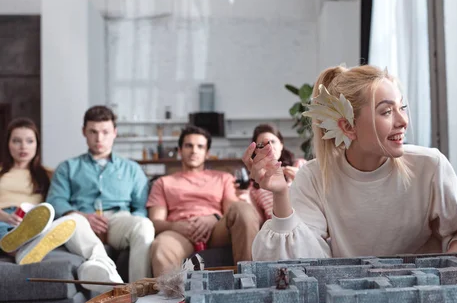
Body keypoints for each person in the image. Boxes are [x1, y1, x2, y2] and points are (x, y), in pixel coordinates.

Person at [243, 65, 457, 261]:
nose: (403, 121)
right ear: (348, 127)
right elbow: (299, 262)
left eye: (401, 107)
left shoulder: (429, 166)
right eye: (386, 111)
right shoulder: (315, 177)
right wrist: (281, 195)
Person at [0, 117, 123, 292]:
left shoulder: (49, 174)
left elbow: (58, 201)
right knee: (2, 228)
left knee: (75, 220)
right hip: (5, 218)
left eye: (29, 141)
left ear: (37, 144)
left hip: (36, 221)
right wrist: (5, 216)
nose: (23, 147)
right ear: (7, 144)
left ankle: (103, 268)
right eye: (16, 141)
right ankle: (18, 245)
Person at [46, 106, 154, 284]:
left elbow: (141, 207)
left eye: (105, 132)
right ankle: (107, 271)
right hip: (81, 222)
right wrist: (83, 217)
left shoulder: (132, 169)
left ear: (115, 133)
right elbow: (56, 201)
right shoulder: (67, 167)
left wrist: (129, 223)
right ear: (84, 132)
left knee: (144, 225)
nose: (99, 138)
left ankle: (138, 298)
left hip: (119, 220)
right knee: (73, 222)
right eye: (93, 132)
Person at [147, 126, 261, 276]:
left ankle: (249, 280)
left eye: (200, 146)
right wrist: (175, 226)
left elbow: (232, 211)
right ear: (180, 151)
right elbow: (155, 222)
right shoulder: (163, 182)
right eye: (189, 146)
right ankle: (171, 298)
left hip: (215, 230)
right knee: (161, 246)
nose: (194, 151)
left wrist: (214, 219)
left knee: (243, 209)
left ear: (207, 153)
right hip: (180, 233)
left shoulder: (223, 178)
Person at [248, 123, 306, 222]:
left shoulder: (300, 165)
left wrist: (303, 181)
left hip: (306, 220)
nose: (269, 147)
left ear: (281, 145)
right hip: (277, 228)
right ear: (256, 151)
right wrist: (246, 198)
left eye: (273, 142)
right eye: (262, 145)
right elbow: (259, 221)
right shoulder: (254, 185)